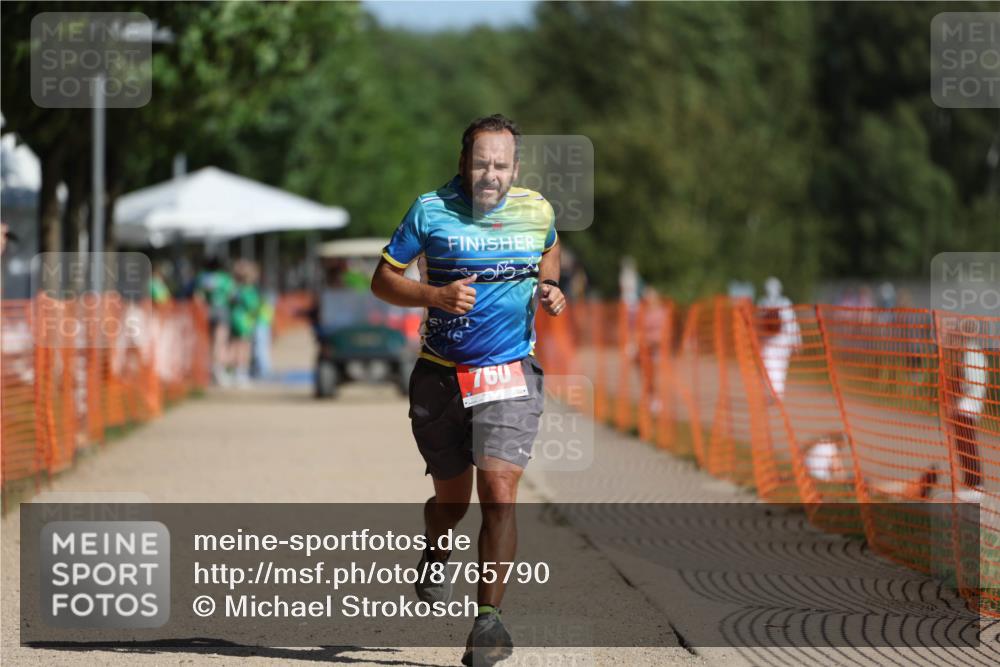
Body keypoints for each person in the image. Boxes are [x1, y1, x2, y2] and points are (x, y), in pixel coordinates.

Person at [371, 114, 564, 666]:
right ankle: (436, 546)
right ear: (464, 162)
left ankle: (489, 624)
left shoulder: (537, 209)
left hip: (509, 372)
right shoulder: (430, 210)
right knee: (451, 505)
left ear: (515, 168)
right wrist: (434, 297)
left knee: (499, 494)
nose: (491, 174)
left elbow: (550, 247)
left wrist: (549, 286)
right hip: (440, 375)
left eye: (501, 165)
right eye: (481, 163)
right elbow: (382, 280)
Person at [944, 319, 988, 503]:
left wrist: (956, 389)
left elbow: (969, 382)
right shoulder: (969, 353)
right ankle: (971, 485)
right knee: (963, 448)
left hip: (967, 407)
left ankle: (975, 486)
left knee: (968, 447)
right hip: (966, 406)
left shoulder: (972, 355)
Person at [757, 276, 801, 400]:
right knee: (767, 365)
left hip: (782, 339)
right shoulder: (762, 302)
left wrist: (796, 340)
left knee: (781, 366)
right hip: (768, 340)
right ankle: (775, 390)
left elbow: (792, 323)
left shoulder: (785, 302)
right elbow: (758, 324)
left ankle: (777, 391)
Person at [194, 258, 235, 384]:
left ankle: (210, 369)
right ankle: (218, 369)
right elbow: (231, 295)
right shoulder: (225, 278)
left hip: (207, 311)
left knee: (209, 342)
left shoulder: (202, 277)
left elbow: (198, 296)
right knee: (220, 341)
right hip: (221, 310)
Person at [228, 260, 262, 388]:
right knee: (244, 348)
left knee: (235, 346)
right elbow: (252, 306)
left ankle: (234, 371)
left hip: (235, 319)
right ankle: (240, 373)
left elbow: (231, 302)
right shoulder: (248, 290)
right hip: (244, 321)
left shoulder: (235, 289)